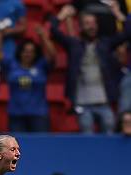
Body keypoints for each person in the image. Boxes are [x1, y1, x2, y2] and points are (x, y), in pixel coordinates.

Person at [50, 5, 131, 134]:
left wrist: (118, 14)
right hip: (82, 103)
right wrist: (62, 15)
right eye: (87, 23)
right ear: (81, 26)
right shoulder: (74, 45)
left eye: (94, 23)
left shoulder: (105, 44)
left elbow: (128, 33)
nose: (91, 26)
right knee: (87, 133)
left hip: (104, 102)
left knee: (110, 130)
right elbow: (53, 31)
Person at [0, 26, 56, 132]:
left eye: (31, 51)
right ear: (20, 52)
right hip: (16, 114)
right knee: (16, 147)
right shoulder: (12, 65)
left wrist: (43, 37)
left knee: (41, 145)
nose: (28, 54)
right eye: (25, 51)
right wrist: (0, 33)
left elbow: (52, 55)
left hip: (39, 114)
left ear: (36, 53)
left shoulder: (41, 66)